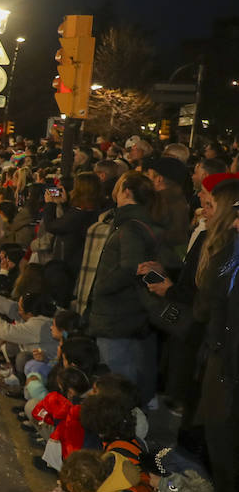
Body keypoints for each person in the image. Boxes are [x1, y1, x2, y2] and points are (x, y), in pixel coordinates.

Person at [85, 171, 164, 405]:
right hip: (125, 315)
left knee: (116, 384)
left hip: (117, 317)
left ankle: (122, 432)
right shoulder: (137, 223)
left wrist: (101, 286)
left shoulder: (130, 227)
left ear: (126, 191)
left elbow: (132, 267)